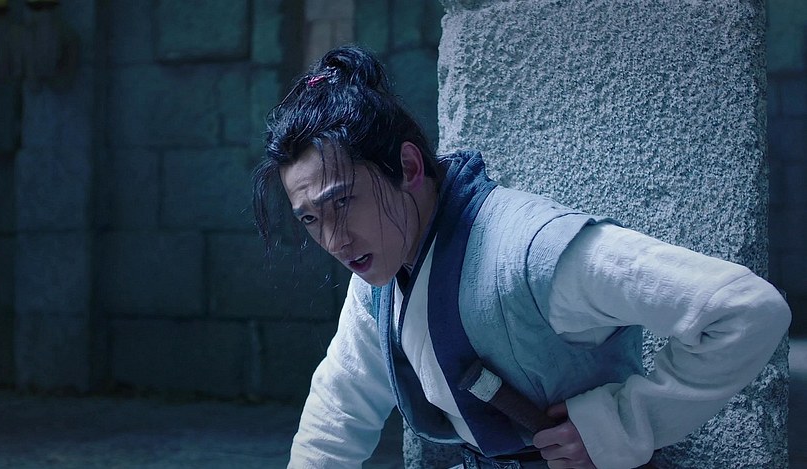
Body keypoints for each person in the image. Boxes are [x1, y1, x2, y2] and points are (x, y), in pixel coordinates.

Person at [251, 45, 791, 469]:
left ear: (409, 168)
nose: (334, 240)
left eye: (342, 202)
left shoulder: (531, 249)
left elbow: (746, 309)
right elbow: (339, 410)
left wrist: (624, 424)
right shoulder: (379, 274)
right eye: (310, 219)